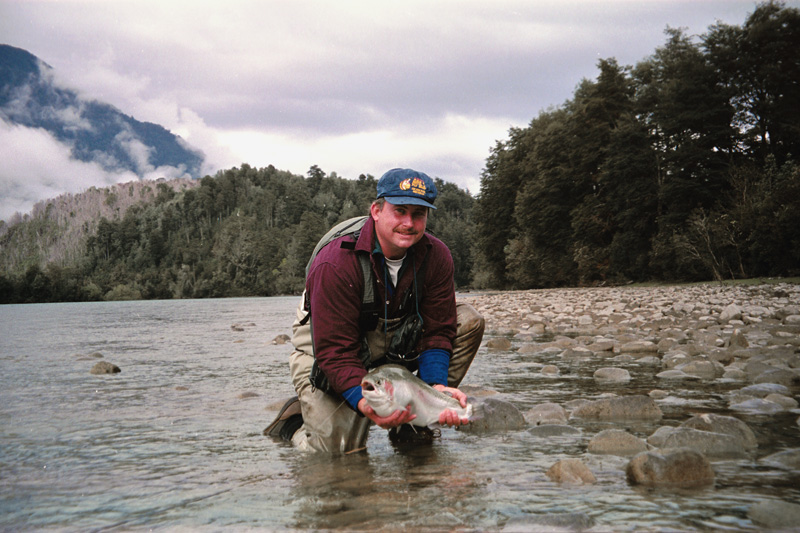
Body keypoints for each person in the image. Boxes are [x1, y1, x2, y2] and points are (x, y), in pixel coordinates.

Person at [265, 168, 485, 453]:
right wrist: (364, 403)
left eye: (418, 214)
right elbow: (335, 352)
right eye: (400, 211)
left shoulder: (437, 256)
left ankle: (413, 422)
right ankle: (295, 424)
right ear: (376, 211)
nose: (409, 223)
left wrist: (435, 388)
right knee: (340, 452)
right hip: (327, 349)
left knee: (468, 320)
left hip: (391, 343)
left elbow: (437, 330)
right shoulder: (335, 264)